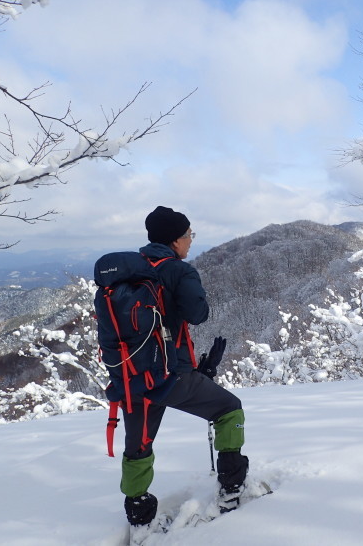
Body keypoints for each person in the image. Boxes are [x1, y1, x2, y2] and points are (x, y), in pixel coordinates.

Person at [121, 205, 249, 526]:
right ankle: (232, 489)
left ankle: (138, 514)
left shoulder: (128, 268)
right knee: (229, 409)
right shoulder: (179, 270)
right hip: (169, 376)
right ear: (175, 241)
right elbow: (197, 314)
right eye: (189, 235)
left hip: (130, 376)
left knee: (138, 445)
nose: (191, 241)